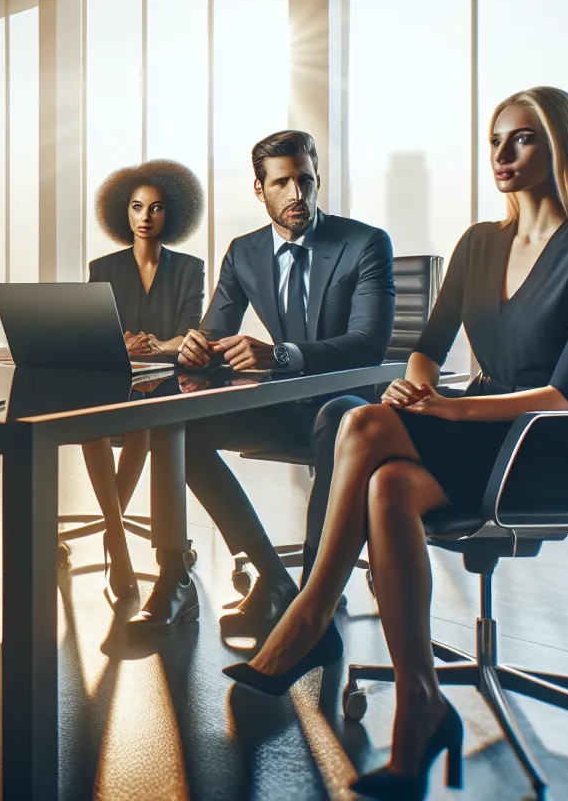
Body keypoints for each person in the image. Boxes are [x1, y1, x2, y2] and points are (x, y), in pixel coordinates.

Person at [225, 87, 568, 799]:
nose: (502, 155)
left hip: (543, 449)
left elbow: (562, 397)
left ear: (562, 147)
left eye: (522, 139)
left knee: (359, 423)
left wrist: (445, 410)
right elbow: (427, 348)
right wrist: (414, 390)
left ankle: (311, 613)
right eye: (496, 140)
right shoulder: (480, 242)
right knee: (387, 481)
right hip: (474, 432)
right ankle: (420, 702)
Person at [153, 130, 395, 636]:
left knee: (335, 420)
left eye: (305, 180)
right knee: (177, 428)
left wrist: (281, 354)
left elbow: (368, 345)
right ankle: (271, 578)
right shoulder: (244, 252)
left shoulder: (365, 244)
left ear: (317, 179)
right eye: (282, 182)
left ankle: (315, 600)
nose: (297, 194)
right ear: (259, 190)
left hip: (349, 407)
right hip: (285, 404)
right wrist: (197, 346)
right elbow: (214, 331)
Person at [78, 160, 206, 608]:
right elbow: (96, 331)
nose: (145, 217)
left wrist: (157, 344)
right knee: (92, 418)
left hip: (166, 380)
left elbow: (192, 331)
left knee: (145, 420)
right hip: (115, 378)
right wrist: (124, 343)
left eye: (156, 208)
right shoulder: (103, 268)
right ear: (124, 212)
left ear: (172, 214)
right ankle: (116, 539)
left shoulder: (189, 268)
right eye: (137, 207)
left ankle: (112, 537)